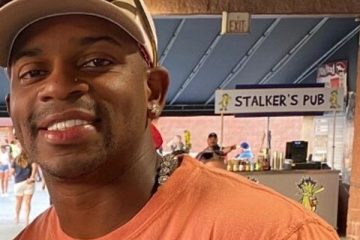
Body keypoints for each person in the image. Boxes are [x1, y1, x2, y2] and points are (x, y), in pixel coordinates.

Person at [0, 0, 339, 239]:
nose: (57, 87)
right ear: (12, 107)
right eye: (33, 72)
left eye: (96, 61)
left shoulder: (271, 231)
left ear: (153, 92)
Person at [11, 151, 37, 225]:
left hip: (19, 183)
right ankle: (27, 219)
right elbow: (35, 166)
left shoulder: (16, 159)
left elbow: (12, 171)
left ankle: (17, 218)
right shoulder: (31, 158)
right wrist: (32, 177)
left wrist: (16, 175)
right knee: (27, 202)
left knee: (18, 202)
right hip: (29, 182)